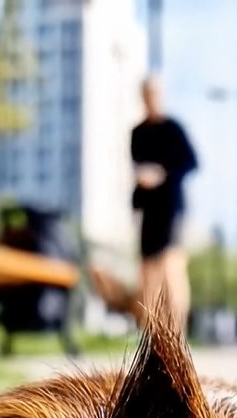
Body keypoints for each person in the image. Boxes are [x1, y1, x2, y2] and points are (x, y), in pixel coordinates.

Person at [91, 75, 198, 332]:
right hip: (148, 210)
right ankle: (151, 332)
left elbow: (191, 163)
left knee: (171, 269)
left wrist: (162, 174)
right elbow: (136, 169)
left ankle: (177, 331)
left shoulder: (174, 129)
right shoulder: (137, 133)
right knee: (147, 272)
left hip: (170, 208)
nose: (151, 100)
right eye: (148, 95)